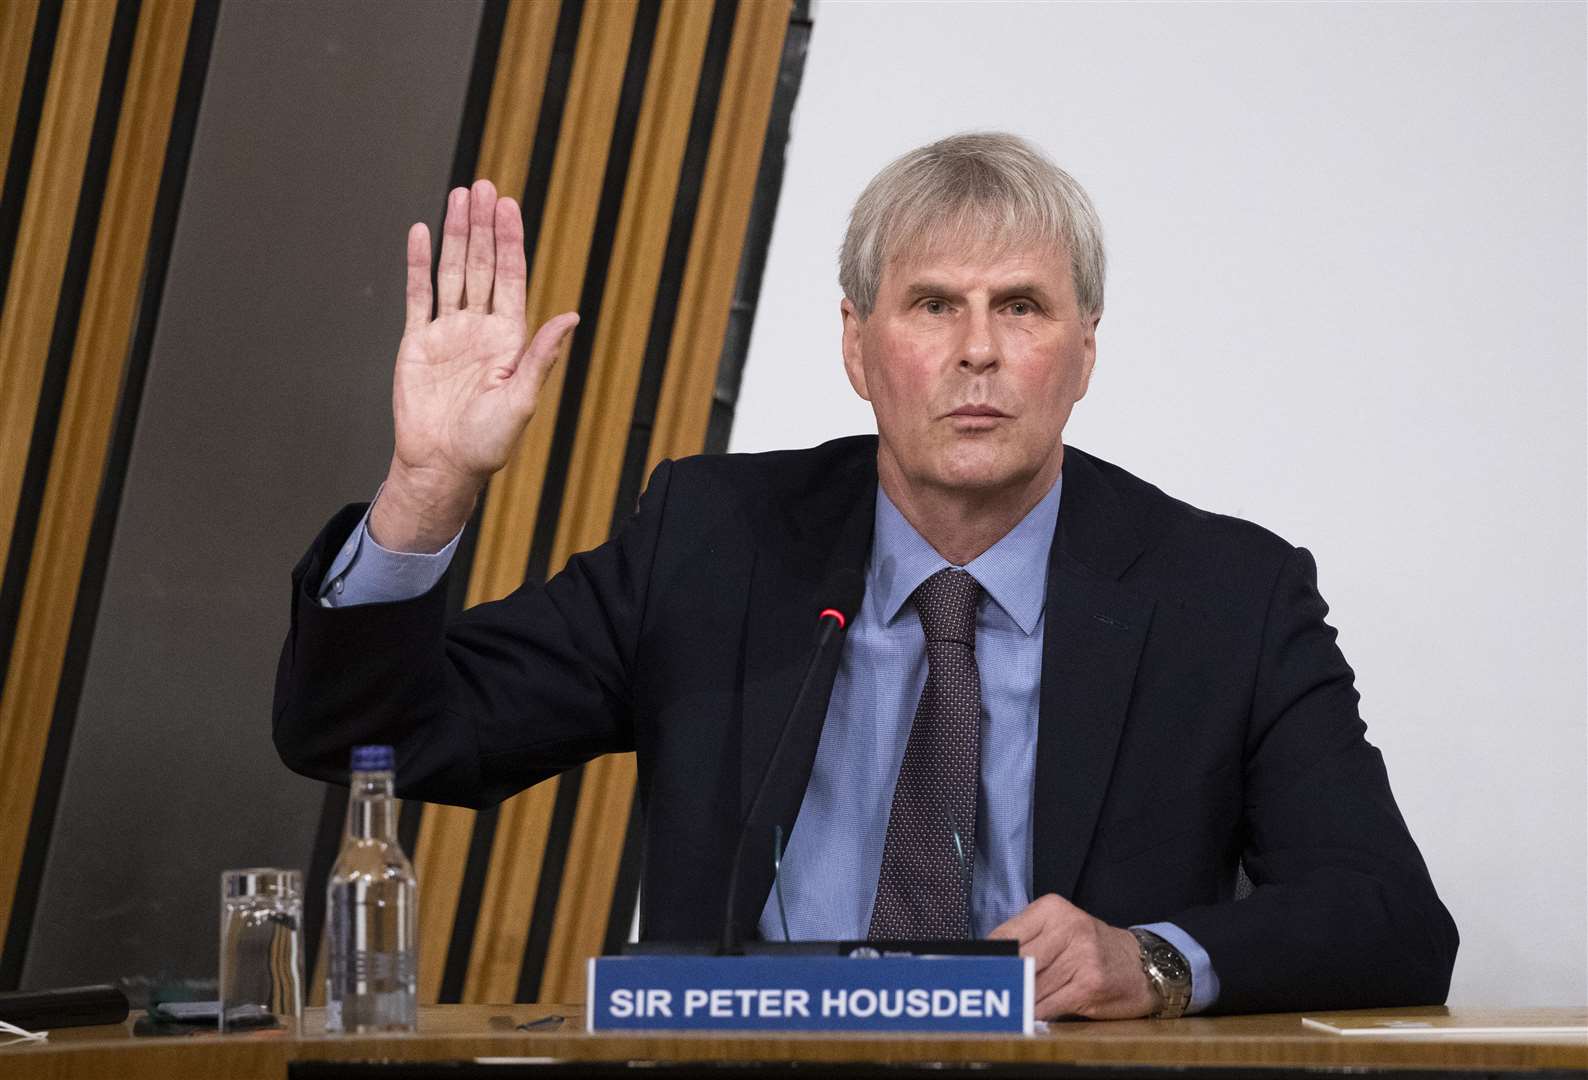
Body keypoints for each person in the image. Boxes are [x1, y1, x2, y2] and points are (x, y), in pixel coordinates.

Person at [274, 132, 1457, 1019]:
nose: (978, 349)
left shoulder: (1225, 595)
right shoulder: (712, 540)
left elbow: (1392, 923)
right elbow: (379, 737)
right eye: (934, 303)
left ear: (1083, 353)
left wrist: (1147, 961)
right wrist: (428, 483)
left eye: (1022, 307)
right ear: (856, 343)